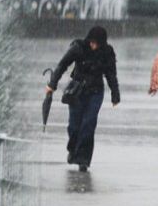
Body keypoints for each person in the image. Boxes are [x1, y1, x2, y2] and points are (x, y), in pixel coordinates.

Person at [46, 26, 120, 172]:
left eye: (97, 44)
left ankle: (83, 159)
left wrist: (115, 94)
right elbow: (62, 65)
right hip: (77, 91)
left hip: (96, 92)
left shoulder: (107, 53)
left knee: (89, 124)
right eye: (92, 42)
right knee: (74, 126)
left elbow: (111, 74)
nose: (94, 46)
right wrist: (52, 84)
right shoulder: (78, 48)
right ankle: (73, 150)